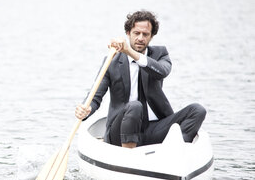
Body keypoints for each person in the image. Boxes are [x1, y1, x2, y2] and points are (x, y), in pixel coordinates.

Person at [75, 10, 206, 148]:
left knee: (198, 110)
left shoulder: (160, 54)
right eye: (136, 33)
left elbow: (161, 72)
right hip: (120, 131)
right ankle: (129, 157)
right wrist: (86, 109)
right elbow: (95, 96)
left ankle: (178, 150)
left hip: (154, 130)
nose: (140, 38)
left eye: (145, 34)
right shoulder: (111, 60)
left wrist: (130, 52)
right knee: (135, 106)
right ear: (128, 33)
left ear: (152, 36)